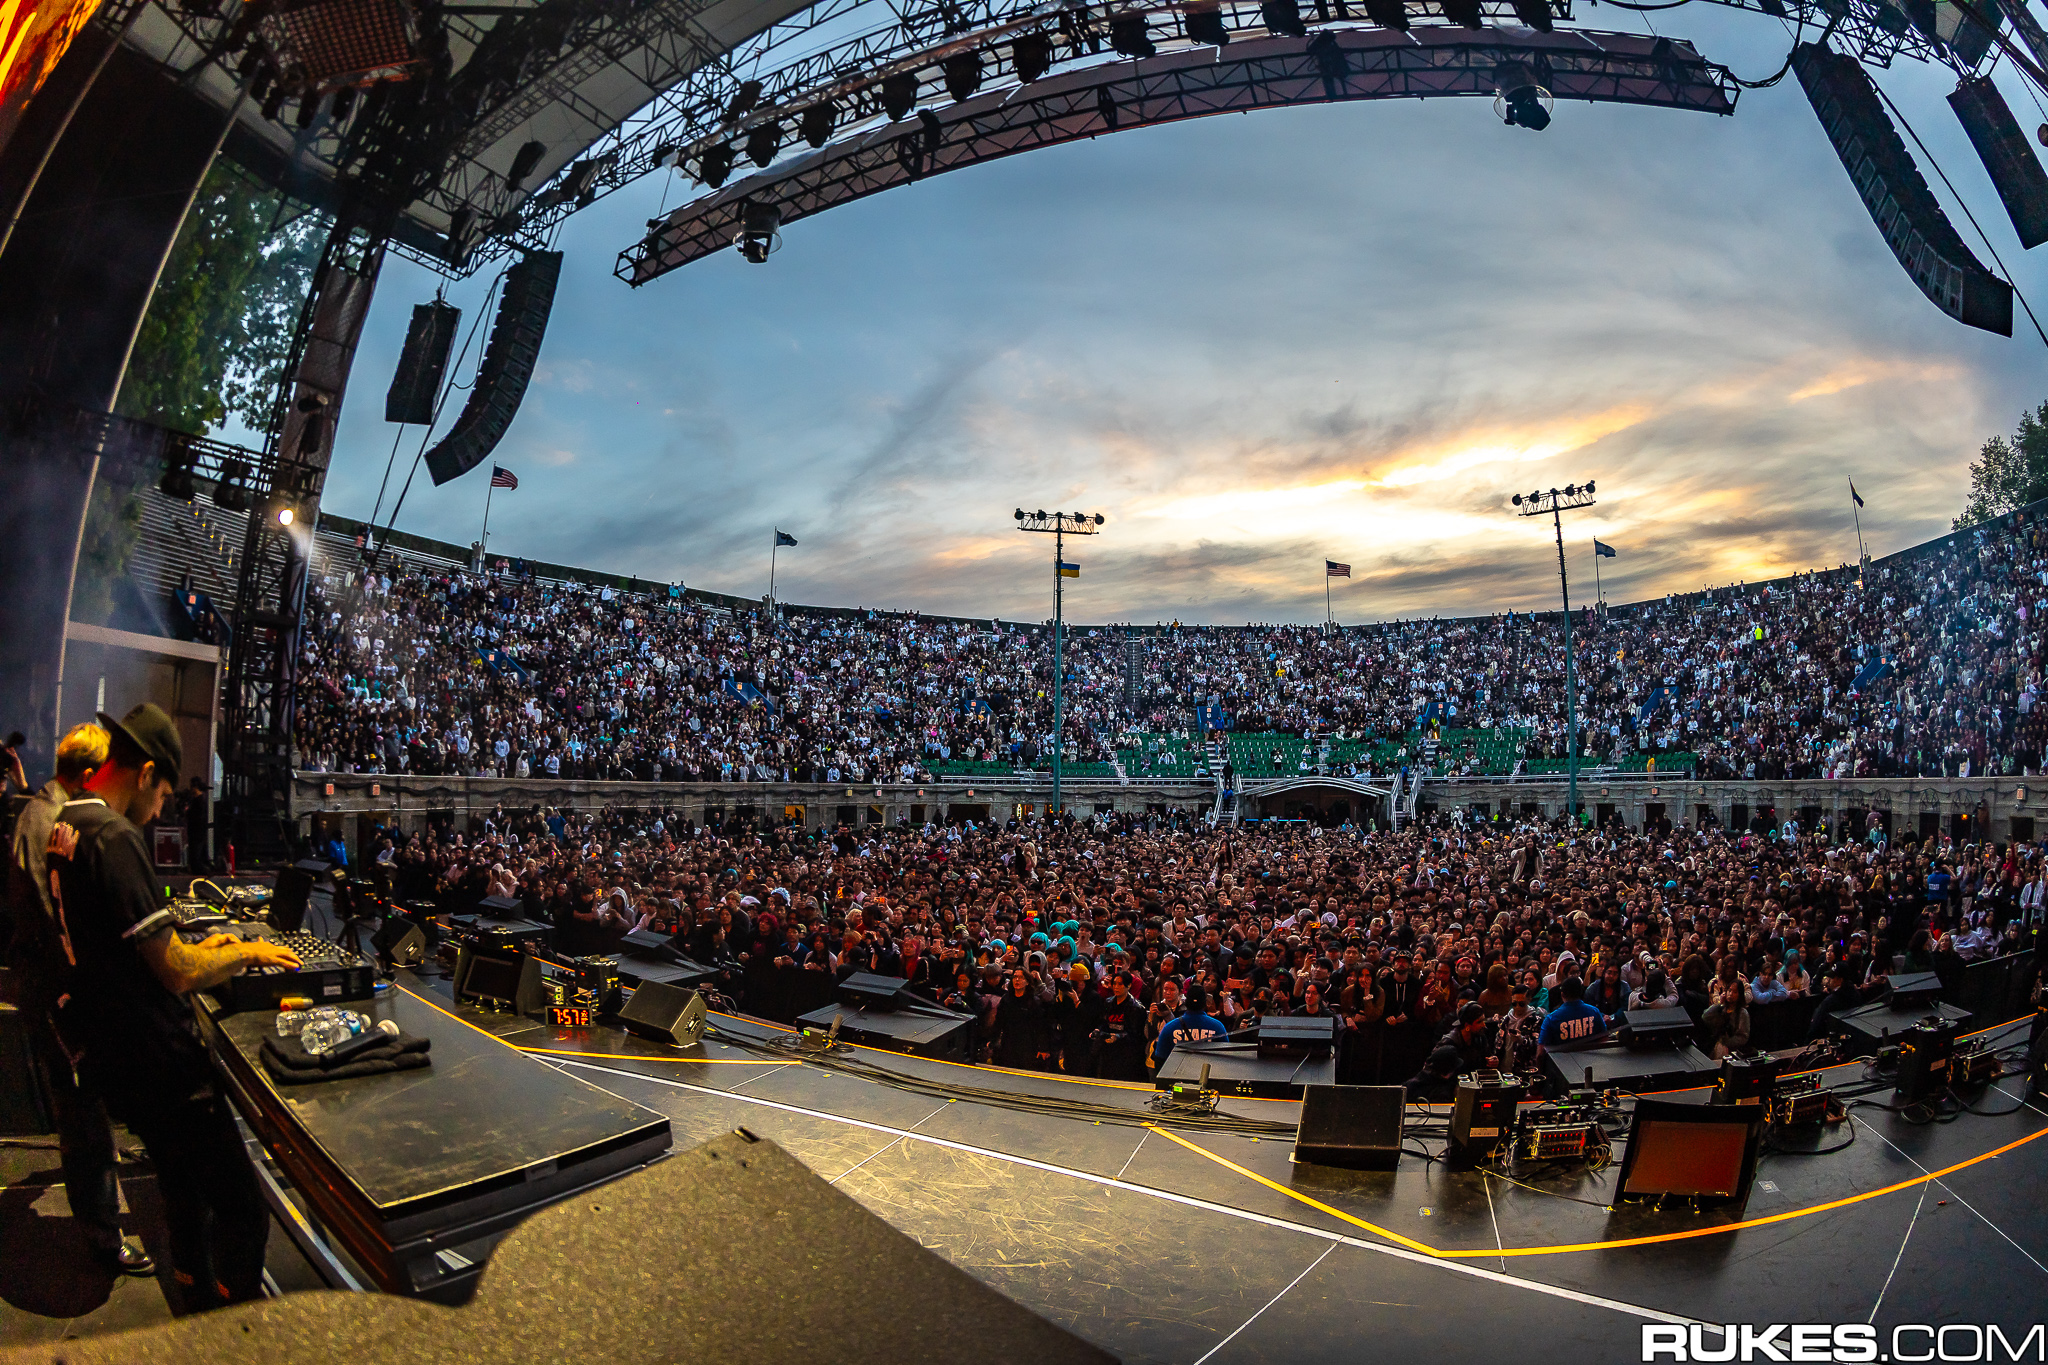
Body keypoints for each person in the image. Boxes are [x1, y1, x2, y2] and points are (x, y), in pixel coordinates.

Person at [50, 704, 302, 1311]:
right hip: (160, 1063)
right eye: (163, 794)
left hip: (116, 1053)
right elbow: (176, 971)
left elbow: (128, 942)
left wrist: (200, 946)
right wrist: (245, 951)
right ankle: (235, 1319)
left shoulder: (67, 823)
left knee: (182, 1191)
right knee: (242, 1208)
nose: (162, 809)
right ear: (144, 775)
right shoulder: (115, 838)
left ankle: (194, 1293)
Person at [4, 722, 152, 1277]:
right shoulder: (48, 822)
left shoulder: (45, 809)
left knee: (87, 1106)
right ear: (89, 775)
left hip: (52, 987)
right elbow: (53, 920)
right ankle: (103, 1237)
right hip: (53, 992)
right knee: (82, 1115)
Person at [1151, 986, 1228, 1073]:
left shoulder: (1170, 1027)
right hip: (1207, 1077)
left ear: (1186, 1002)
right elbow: (1225, 1059)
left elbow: (1160, 1059)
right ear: (1205, 1003)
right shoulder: (1217, 1027)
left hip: (1176, 1077)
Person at [1538, 975, 1609, 1052]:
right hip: (1591, 1058)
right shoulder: (1594, 1012)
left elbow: (1541, 1051)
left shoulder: (1551, 1019)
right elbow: (1604, 1038)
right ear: (1581, 992)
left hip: (1561, 1059)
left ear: (1562, 994)